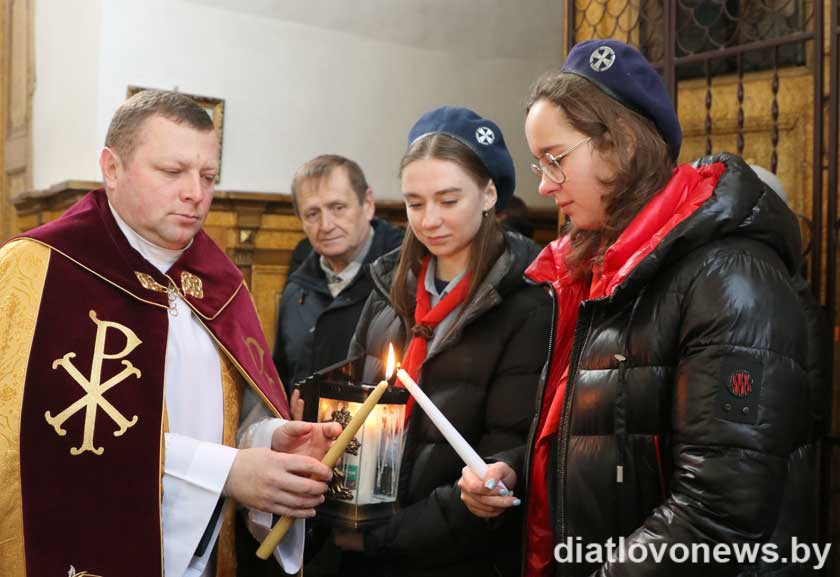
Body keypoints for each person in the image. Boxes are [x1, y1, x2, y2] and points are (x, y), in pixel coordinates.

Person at [458, 40, 820, 576]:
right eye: (539, 164)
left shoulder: (729, 276)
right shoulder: (598, 267)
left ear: (623, 142)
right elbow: (608, 435)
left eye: (555, 160)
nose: (542, 184)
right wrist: (517, 471)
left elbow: (719, 511)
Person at [0, 90, 340, 577]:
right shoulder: (35, 273)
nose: (195, 193)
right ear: (112, 168)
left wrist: (270, 442)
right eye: (172, 172)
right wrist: (226, 472)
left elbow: (227, 419)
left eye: (207, 177)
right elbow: (31, 438)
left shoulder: (219, 283)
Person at [336, 106, 552, 577]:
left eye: (448, 200)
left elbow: (508, 450)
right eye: (415, 203)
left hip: (453, 556)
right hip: (358, 544)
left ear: (489, 194)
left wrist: (378, 540)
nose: (429, 219)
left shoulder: (527, 301)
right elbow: (354, 405)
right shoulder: (388, 288)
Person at [272, 154, 403, 395]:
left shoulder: (406, 275)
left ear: (368, 204)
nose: (326, 225)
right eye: (312, 214)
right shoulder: (296, 291)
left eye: (338, 208)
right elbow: (280, 379)